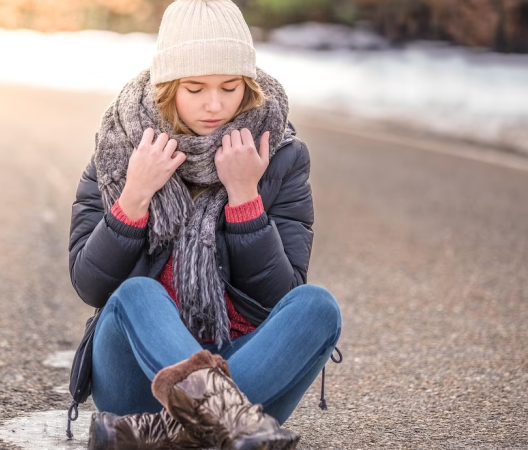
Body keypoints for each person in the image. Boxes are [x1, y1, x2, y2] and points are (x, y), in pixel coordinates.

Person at [68, 0, 342, 448]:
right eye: (194, 89)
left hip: (242, 359)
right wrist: (135, 195)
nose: (214, 105)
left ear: (249, 87)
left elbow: (277, 297)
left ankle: (163, 434)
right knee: (137, 293)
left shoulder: (282, 156)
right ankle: (228, 420)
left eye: (230, 87)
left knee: (318, 306)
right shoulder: (120, 150)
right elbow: (91, 286)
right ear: (167, 86)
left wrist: (245, 199)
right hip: (136, 374)